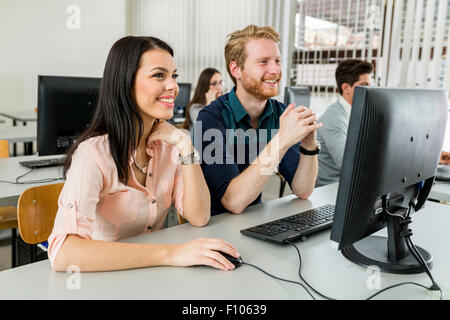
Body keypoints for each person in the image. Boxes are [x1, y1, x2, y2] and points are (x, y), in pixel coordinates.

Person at [47, 36, 240, 272]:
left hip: (150, 275)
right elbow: (64, 252)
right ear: (126, 84)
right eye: (159, 75)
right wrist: (171, 253)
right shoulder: (93, 154)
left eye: (174, 76)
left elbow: (199, 216)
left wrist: (185, 145)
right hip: (100, 278)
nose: (173, 86)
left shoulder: (169, 147)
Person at [195, 25, 322, 216]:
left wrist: (309, 144)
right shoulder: (210, 118)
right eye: (263, 62)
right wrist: (281, 141)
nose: (276, 70)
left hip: (254, 221)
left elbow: (303, 190)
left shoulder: (280, 113)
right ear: (236, 69)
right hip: (214, 227)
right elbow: (234, 201)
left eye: (277, 61)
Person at [316, 59, 373, 187]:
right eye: (365, 84)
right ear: (346, 88)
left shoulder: (358, 113)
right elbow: (347, 164)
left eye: (371, 85)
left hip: (352, 185)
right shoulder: (333, 118)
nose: (371, 90)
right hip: (332, 189)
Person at [181, 68, 223, 134]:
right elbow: (208, 128)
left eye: (220, 82)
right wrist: (209, 104)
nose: (219, 87)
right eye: (214, 83)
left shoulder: (222, 105)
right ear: (205, 86)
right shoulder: (195, 108)